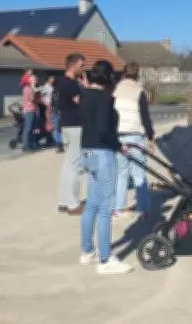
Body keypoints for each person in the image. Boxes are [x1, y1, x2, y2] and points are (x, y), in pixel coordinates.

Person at [78, 59, 133, 275]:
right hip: (102, 153)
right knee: (106, 207)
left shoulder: (84, 96)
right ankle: (105, 258)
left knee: (92, 202)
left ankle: (87, 251)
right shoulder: (104, 98)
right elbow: (103, 128)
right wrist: (119, 145)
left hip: (87, 151)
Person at [112, 62, 155, 219]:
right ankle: (143, 208)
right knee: (139, 173)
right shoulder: (139, 91)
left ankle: (118, 208)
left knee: (121, 172)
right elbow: (145, 117)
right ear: (137, 75)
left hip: (119, 134)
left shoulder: (115, 90)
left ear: (123, 74)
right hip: (135, 134)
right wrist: (150, 136)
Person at [57, 53, 87, 216]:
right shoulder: (71, 85)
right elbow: (82, 104)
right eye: (82, 66)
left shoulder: (62, 82)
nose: (84, 69)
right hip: (75, 126)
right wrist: (86, 88)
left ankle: (64, 200)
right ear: (73, 65)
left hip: (67, 126)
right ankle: (73, 204)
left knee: (68, 165)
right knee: (76, 165)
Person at [20, 74, 38, 152]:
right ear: (29, 81)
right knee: (28, 128)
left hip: (33, 110)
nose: (35, 81)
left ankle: (31, 144)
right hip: (28, 111)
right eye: (33, 79)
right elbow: (32, 99)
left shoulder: (31, 88)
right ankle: (25, 145)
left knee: (32, 128)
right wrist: (33, 88)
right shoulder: (27, 89)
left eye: (35, 79)